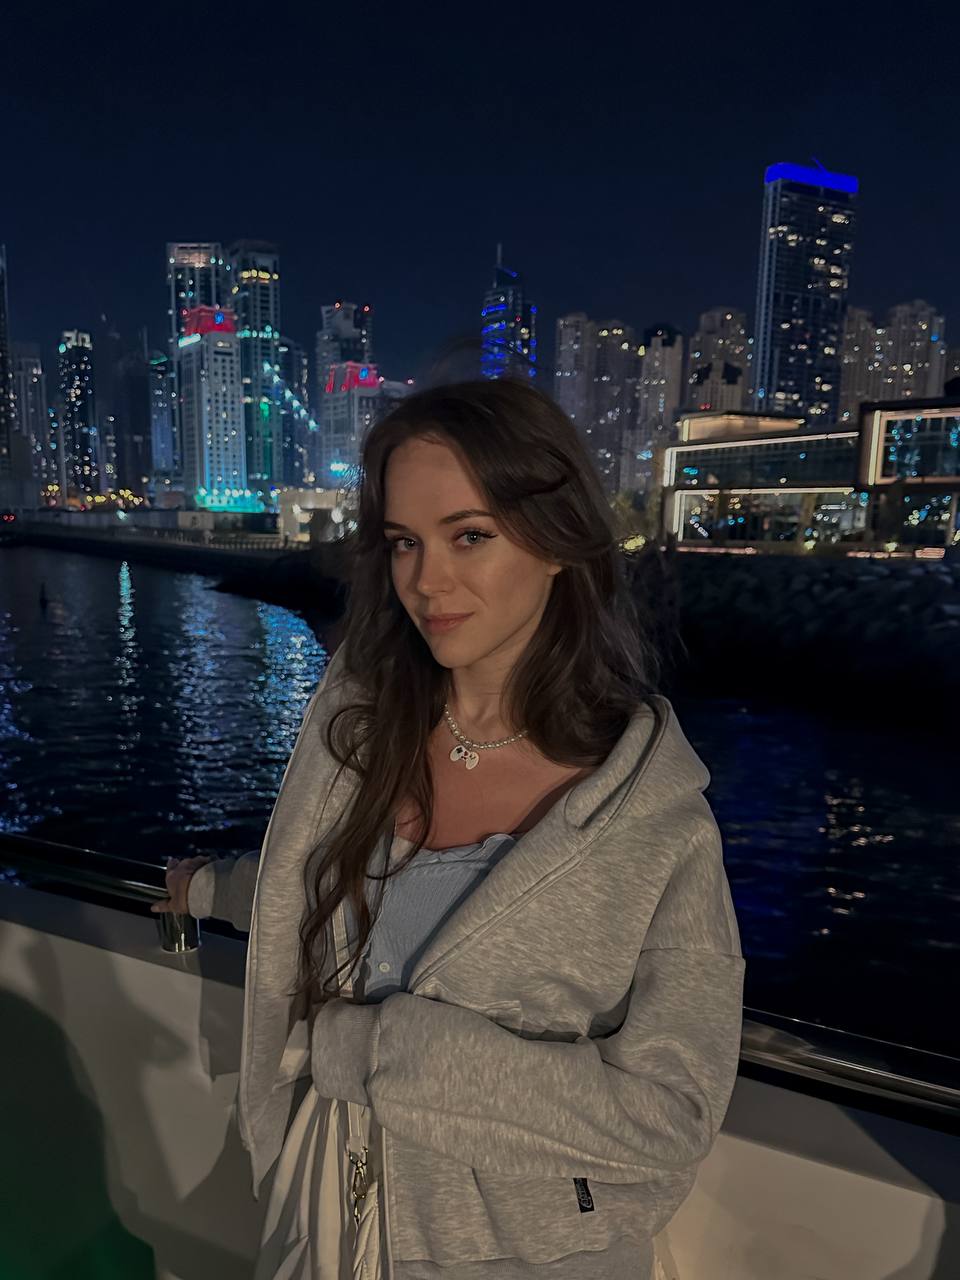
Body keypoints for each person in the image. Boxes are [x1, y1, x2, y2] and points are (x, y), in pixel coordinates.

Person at [153, 379, 745, 1279]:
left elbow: (671, 1114)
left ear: (558, 542)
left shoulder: (650, 822)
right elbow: (313, 889)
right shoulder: (361, 737)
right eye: (405, 542)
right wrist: (208, 888)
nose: (427, 582)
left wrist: (376, 1052)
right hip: (327, 1221)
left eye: (470, 535)